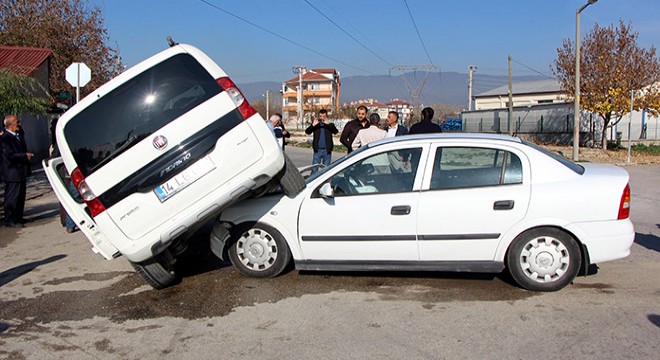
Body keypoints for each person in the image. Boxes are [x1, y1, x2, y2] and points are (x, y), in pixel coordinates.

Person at [1, 115, 33, 227]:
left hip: (20, 171)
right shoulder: (5, 138)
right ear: (10, 125)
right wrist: (24, 156)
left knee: (20, 196)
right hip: (12, 172)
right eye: (16, 122)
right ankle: (10, 219)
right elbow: (9, 155)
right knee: (12, 196)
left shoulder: (18, 136)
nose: (19, 124)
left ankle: (18, 217)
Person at [305, 109, 338, 173]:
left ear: (326, 117)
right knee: (314, 169)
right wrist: (312, 125)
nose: (322, 118)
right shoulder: (316, 125)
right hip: (318, 150)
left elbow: (335, 131)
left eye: (324, 116)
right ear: (318, 117)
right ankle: (313, 181)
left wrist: (328, 124)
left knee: (326, 169)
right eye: (320, 116)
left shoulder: (330, 125)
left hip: (327, 150)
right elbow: (307, 132)